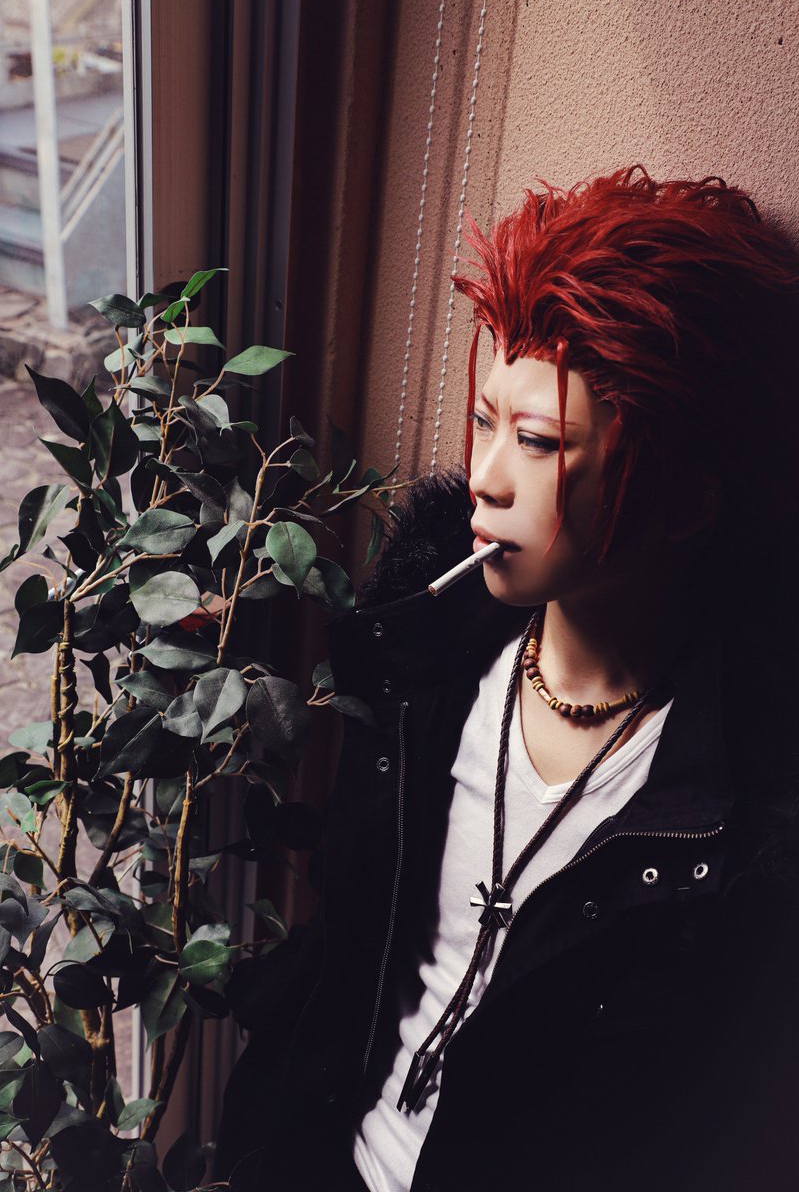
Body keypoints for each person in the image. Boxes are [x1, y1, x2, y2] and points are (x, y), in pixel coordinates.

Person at [216, 165, 799, 1191]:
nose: (485, 476)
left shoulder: (744, 807)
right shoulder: (422, 655)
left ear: (682, 499)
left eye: (537, 442)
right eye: (487, 422)